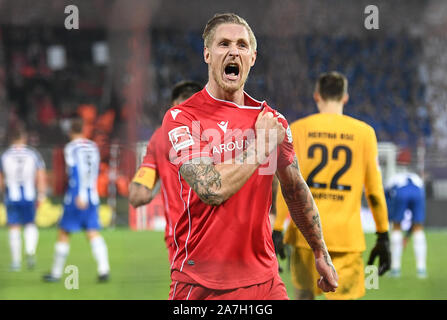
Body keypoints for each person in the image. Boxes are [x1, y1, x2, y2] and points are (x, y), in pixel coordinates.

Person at [159, 13, 337, 300]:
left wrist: (320, 251)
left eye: (242, 45)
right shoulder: (182, 118)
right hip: (200, 282)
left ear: (252, 57)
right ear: (207, 54)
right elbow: (212, 188)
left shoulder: (271, 120)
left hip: (265, 281)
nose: (233, 51)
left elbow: (294, 188)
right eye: (223, 44)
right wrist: (261, 144)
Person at [273, 71, 391, 300]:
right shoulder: (365, 133)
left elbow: (287, 183)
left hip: (305, 234)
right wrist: (383, 234)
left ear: (317, 96)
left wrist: (277, 227)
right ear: (345, 97)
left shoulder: (298, 129)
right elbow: (375, 192)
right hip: (346, 238)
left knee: (304, 296)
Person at [129, 80, 202, 263]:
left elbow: (138, 195)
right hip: (220, 237)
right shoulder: (221, 131)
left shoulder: (160, 137)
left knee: (186, 291)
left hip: (181, 238)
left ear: (173, 106)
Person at [43, 117, 110, 282]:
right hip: (92, 194)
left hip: (76, 195)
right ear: (83, 130)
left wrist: (79, 194)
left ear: (70, 132)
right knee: (92, 231)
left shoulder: (71, 148)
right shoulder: (93, 146)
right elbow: (94, 170)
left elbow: (75, 170)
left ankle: (56, 273)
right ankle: (104, 269)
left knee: (64, 232)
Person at [0, 124, 47, 271]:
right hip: (29, 195)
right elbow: (40, 175)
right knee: (30, 223)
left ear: (11, 139)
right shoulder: (33, 154)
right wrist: (41, 194)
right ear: (24, 138)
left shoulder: (5, 155)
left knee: (14, 226)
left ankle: (16, 262)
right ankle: (30, 251)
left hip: (11, 196)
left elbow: (0, 179)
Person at [385, 152, 427, 278]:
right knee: (418, 228)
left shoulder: (393, 178)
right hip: (418, 192)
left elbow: (386, 200)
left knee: (396, 227)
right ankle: (421, 270)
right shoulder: (416, 177)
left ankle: (395, 269)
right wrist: (408, 235)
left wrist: (389, 218)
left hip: (400, 192)